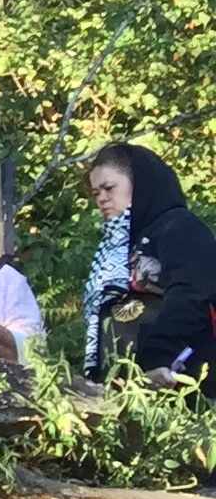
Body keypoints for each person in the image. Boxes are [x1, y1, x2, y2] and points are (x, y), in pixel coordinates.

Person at [81, 142, 216, 379]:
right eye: (96, 193)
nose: (102, 198)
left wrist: (159, 356)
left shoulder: (178, 227)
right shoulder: (117, 248)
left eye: (109, 188)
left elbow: (192, 292)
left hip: (183, 378)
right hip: (126, 385)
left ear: (139, 184)